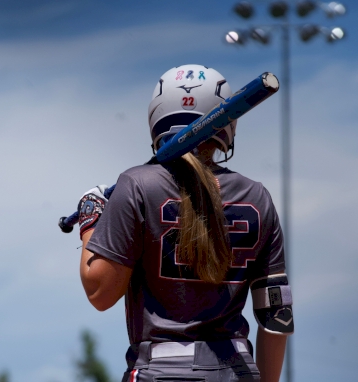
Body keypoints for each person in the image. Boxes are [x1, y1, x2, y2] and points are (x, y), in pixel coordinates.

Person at [76, 64, 293, 382]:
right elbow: (276, 317)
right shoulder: (257, 196)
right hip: (239, 372)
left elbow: (100, 293)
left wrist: (90, 217)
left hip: (160, 370)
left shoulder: (137, 184)